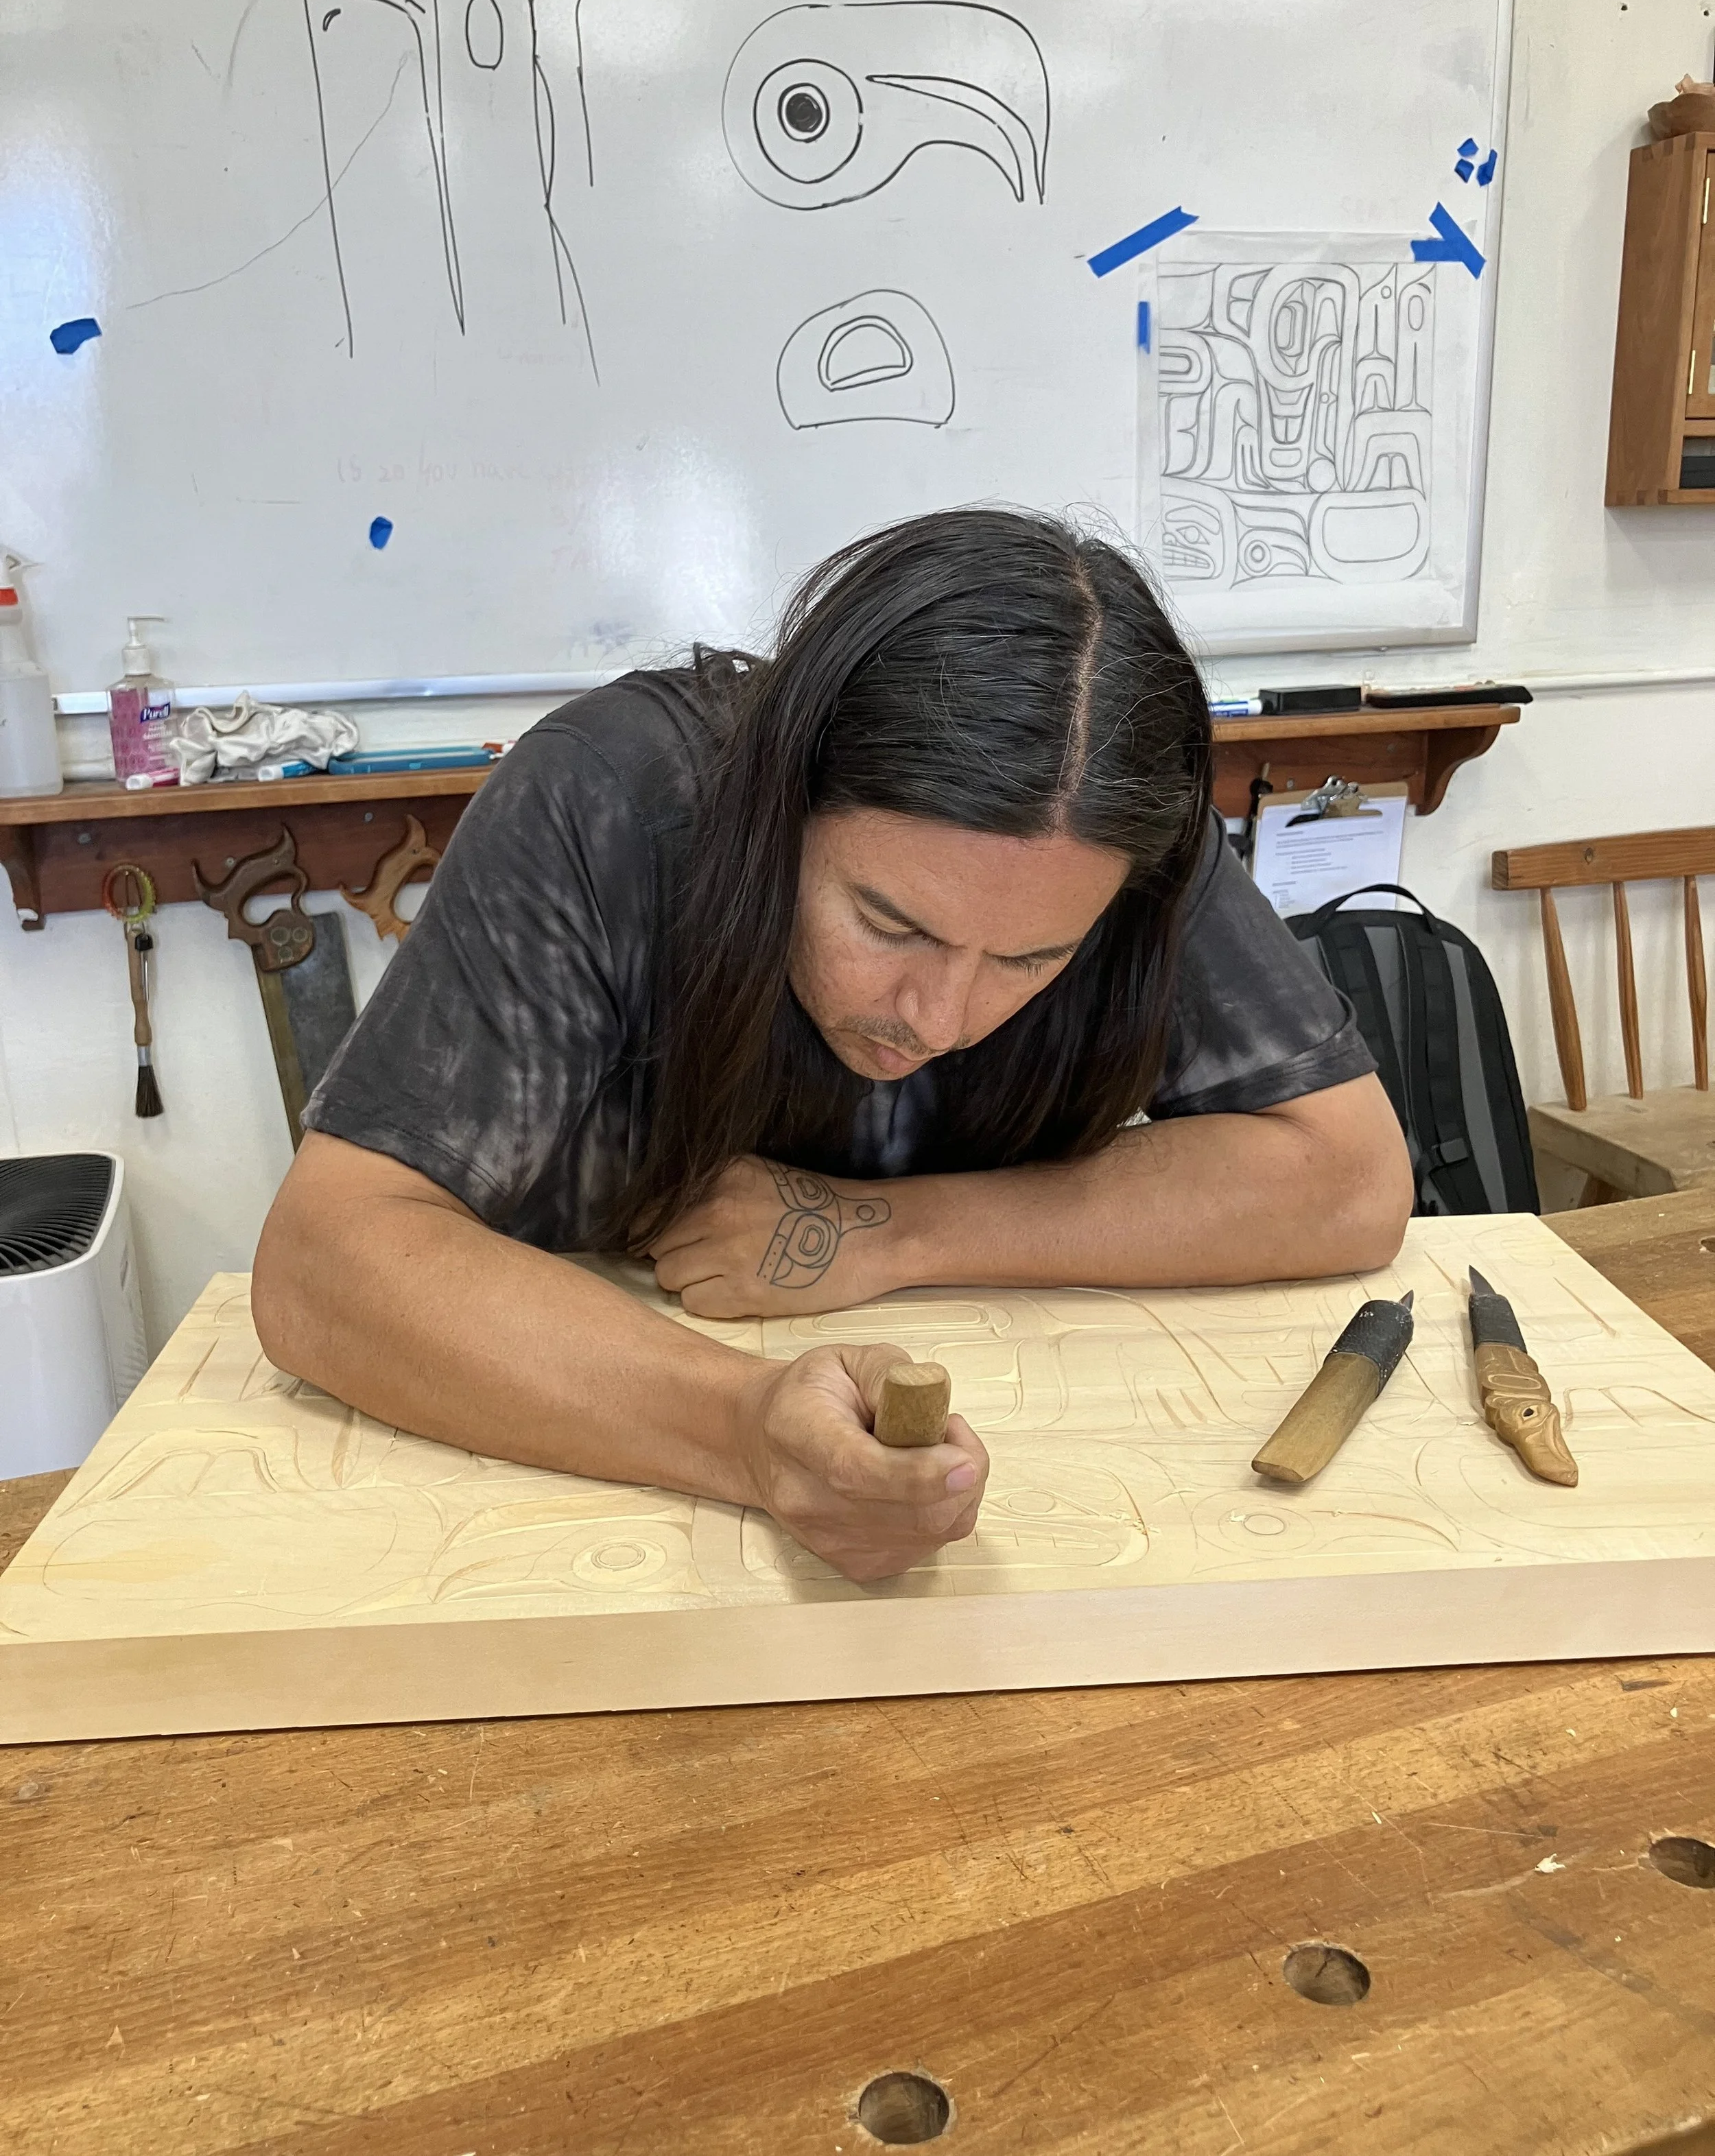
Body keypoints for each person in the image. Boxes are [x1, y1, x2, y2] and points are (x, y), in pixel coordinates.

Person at [254, 507, 1412, 1580]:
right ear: (780, 799)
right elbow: (329, 1261)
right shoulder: (610, 796)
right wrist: (744, 1428)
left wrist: (883, 1234)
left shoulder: (1109, 826)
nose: (941, 1019)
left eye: (1031, 961)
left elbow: (1350, 1177)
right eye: (890, 924)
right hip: (572, 1467)